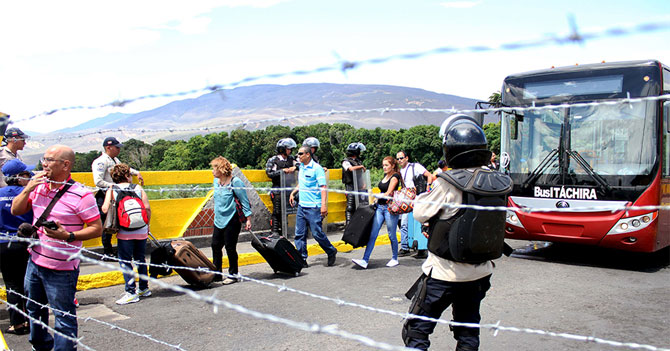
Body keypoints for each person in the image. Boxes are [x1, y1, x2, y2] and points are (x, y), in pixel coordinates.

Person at [402, 115, 512, 351]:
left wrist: (422, 196)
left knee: (416, 330)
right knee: (468, 330)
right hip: (480, 273)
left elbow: (421, 213)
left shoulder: (449, 181)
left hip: (445, 273)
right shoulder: (497, 180)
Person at [12, 145, 102, 351]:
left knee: (63, 318)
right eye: (43, 159)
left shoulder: (81, 195)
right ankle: (41, 345)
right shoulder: (40, 188)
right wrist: (28, 188)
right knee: (34, 310)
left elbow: (97, 228)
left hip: (62, 269)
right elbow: (16, 210)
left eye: (49, 160)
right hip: (34, 262)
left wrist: (68, 235)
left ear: (65, 165)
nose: (43, 164)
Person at [101, 164, 152, 305]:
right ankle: (144, 288)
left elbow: (105, 209)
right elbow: (147, 208)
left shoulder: (112, 189)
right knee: (140, 259)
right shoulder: (138, 188)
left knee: (125, 261)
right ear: (127, 176)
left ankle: (130, 292)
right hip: (141, 229)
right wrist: (146, 226)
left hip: (124, 231)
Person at [92, 137, 143, 258]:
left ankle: (113, 251)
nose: (118, 150)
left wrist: (136, 172)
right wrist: (116, 186)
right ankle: (107, 252)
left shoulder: (114, 159)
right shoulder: (101, 161)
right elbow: (98, 181)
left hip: (115, 196)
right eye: (116, 147)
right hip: (105, 196)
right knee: (107, 224)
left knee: (115, 222)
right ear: (108, 147)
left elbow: (123, 169)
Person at [0, 159, 34, 335]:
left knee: (12, 285)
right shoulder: (29, 194)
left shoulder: (0, 194)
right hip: (26, 243)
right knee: (29, 283)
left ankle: (17, 323)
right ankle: (32, 320)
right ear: (19, 177)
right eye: (27, 175)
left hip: (4, 244)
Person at [289, 146, 337, 267]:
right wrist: (293, 192)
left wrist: (323, 206)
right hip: (302, 206)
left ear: (308, 155)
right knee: (299, 234)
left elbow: (323, 188)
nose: (298, 156)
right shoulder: (302, 167)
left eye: (300, 154)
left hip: (314, 207)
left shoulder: (317, 169)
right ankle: (302, 259)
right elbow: (302, 182)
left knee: (317, 234)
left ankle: (331, 250)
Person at [351, 156, 401, 269]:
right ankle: (365, 260)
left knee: (391, 234)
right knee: (373, 234)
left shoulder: (395, 176)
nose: (384, 167)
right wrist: (377, 198)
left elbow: (389, 192)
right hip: (380, 207)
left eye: (386, 165)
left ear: (393, 165)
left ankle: (394, 258)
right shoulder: (385, 175)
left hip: (390, 208)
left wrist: (377, 195)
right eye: (383, 165)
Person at [210, 156, 252, 285]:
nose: (212, 171)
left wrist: (248, 219)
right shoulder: (216, 182)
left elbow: (245, 201)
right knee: (215, 245)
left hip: (232, 219)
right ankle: (217, 273)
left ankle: (233, 274)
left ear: (221, 170)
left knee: (230, 247)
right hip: (219, 219)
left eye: (214, 168)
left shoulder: (235, 182)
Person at [396, 151, 435, 258]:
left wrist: (428, 188)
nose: (400, 160)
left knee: (419, 223)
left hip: (418, 198)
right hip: (407, 200)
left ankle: (422, 248)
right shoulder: (399, 171)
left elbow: (429, 176)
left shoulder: (415, 167)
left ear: (407, 158)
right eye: (398, 159)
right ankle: (405, 247)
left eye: (401, 158)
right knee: (404, 223)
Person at [265, 138, 298, 236]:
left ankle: (285, 231)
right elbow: (269, 173)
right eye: (288, 149)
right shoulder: (273, 160)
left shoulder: (291, 159)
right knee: (277, 211)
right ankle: (274, 231)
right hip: (277, 189)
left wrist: (295, 167)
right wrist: (282, 171)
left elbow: (300, 165)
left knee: (287, 211)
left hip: (288, 189)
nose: (290, 151)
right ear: (282, 149)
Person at [341, 142, 367, 225]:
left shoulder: (358, 161)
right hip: (350, 186)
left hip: (359, 186)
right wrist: (361, 167)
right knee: (350, 207)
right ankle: (348, 225)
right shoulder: (345, 161)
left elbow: (360, 174)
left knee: (360, 205)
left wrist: (363, 183)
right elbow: (350, 169)